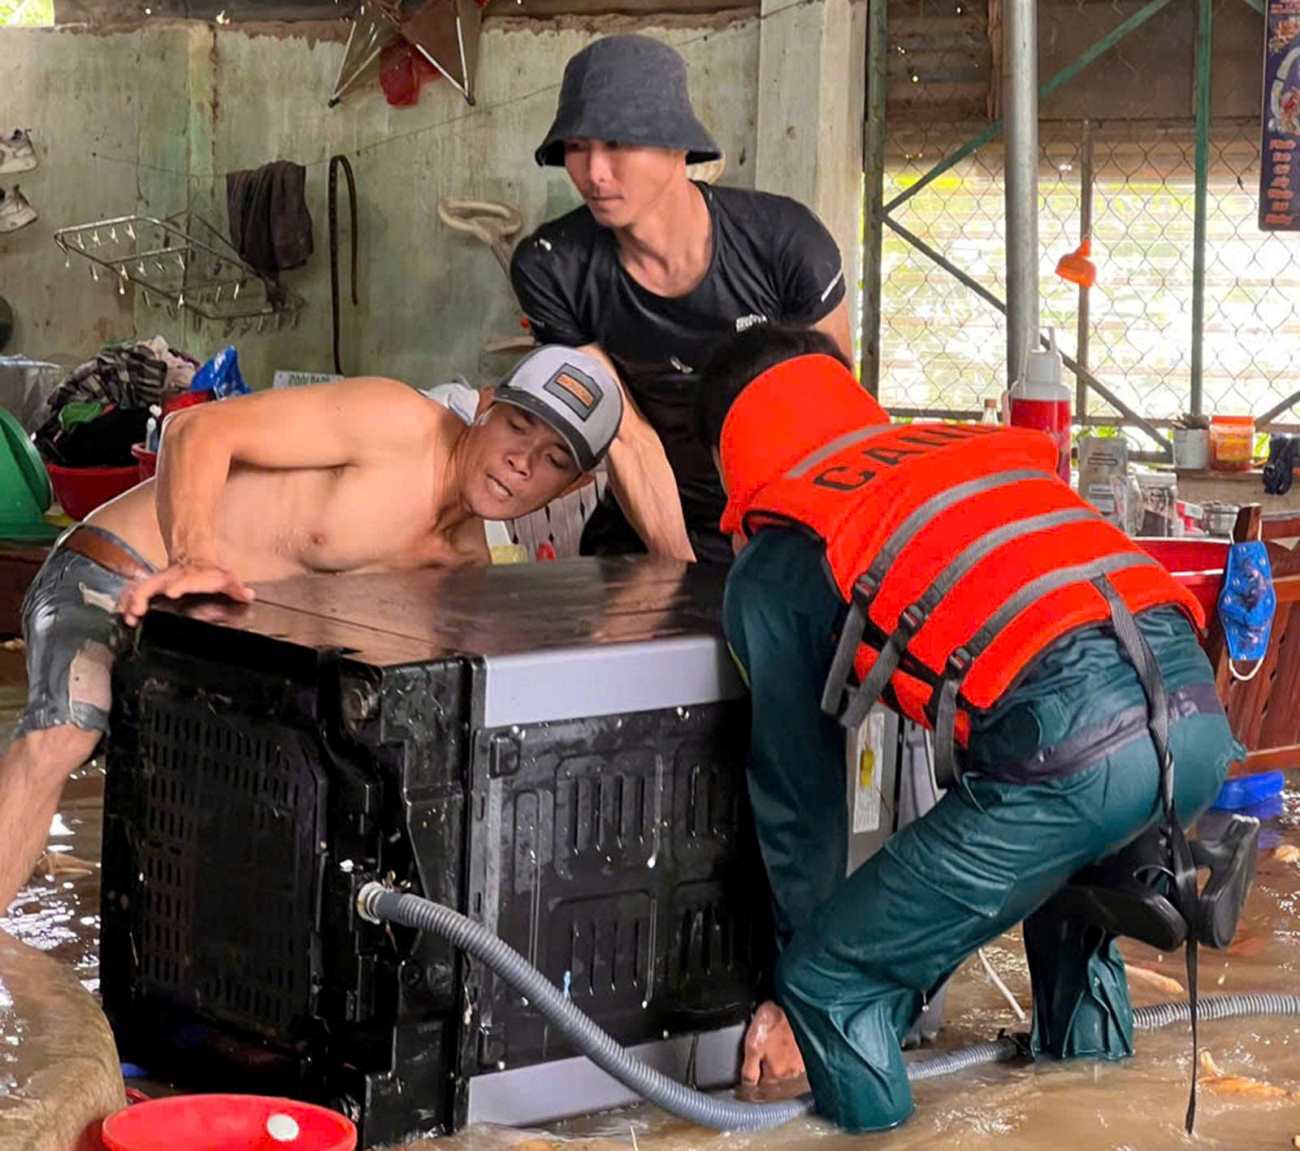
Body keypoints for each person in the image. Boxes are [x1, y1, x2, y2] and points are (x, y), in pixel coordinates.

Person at [695, 327, 1241, 1131]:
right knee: (1070, 904)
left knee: (831, 981)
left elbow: (797, 798)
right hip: (1194, 718)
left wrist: (797, 982)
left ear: (727, 453)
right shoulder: (961, 454)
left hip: (1069, 747)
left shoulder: (787, 548)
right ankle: (1097, 1114)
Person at [0, 346, 622, 914]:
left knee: (274, 794)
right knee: (64, 729)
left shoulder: (464, 567)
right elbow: (197, 430)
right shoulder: (396, 421)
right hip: (118, 570)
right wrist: (193, 555)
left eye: (553, 460)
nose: (521, 461)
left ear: (572, 487)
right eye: (518, 427)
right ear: (485, 407)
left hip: (215, 643)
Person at [511, 34, 852, 567]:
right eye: (577, 147)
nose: (595, 173)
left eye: (618, 144)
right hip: (647, 530)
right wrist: (681, 577)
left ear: (676, 147)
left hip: (780, 526)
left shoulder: (786, 241)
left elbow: (835, 427)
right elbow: (626, 438)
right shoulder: (552, 265)